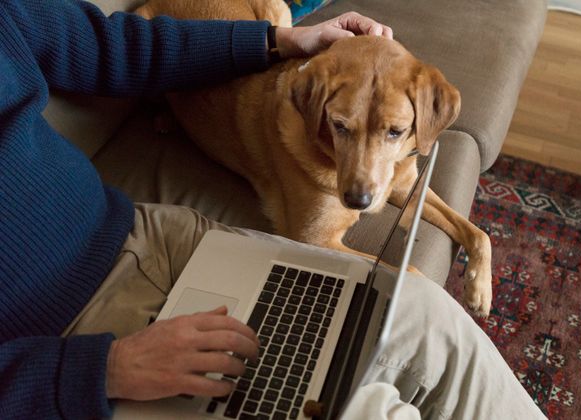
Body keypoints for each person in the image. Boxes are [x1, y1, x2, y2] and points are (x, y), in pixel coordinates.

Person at [0, 0, 546, 418]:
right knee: (362, 405)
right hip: (75, 337)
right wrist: (104, 369)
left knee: (424, 315)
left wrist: (277, 40)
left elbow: (116, 43)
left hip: (144, 231)